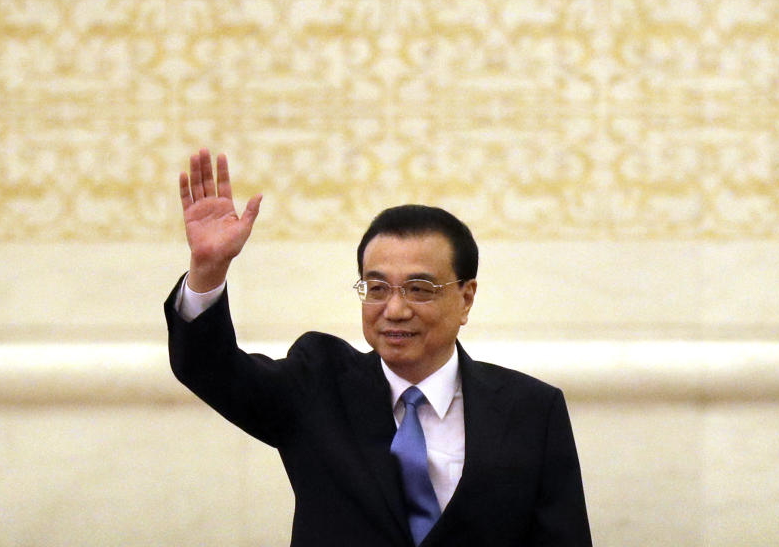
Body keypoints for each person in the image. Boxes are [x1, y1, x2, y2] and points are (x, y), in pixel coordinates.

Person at [164, 149, 592, 547]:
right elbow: (209, 367)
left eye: (419, 289)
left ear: (466, 298)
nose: (395, 309)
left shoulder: (532, 410)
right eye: (377, 288)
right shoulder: (317, 383)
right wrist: (208, 270)